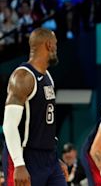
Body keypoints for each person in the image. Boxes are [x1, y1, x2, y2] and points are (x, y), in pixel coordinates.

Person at [2, 28, 67, 185]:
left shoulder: (48, 76)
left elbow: (46, 123)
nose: (56, 49)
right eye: (56, 44)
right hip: (26, 156)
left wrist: (54, 158)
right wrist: (19, 163)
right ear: (49, 45)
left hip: (49, 157)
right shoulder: (23, 77)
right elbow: (9, 125)